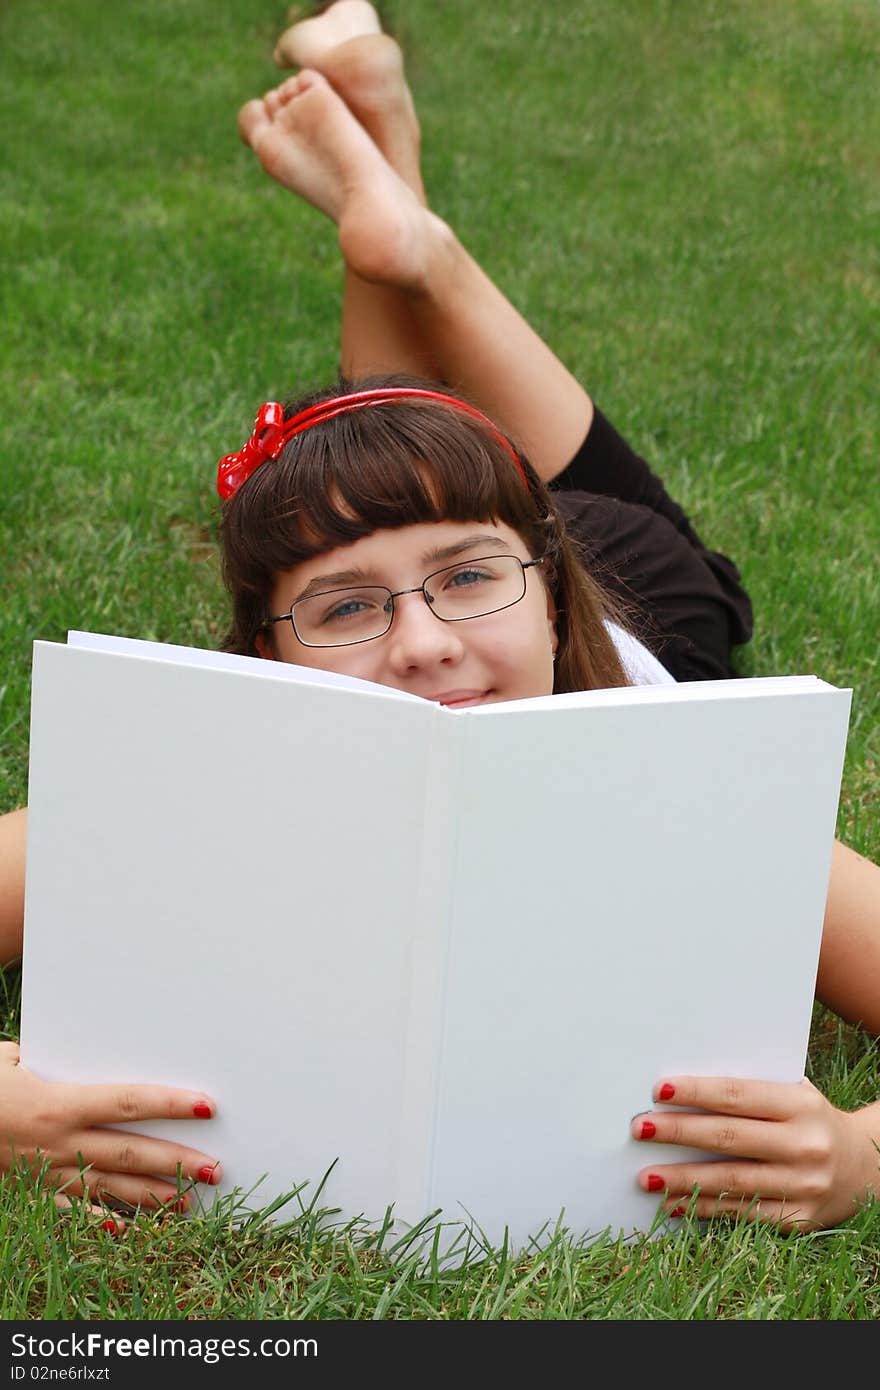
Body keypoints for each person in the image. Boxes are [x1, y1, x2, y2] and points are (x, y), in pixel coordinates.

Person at [2, 2, 879, 1235]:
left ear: (543, 579)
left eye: (467, 581)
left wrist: (856, 1153)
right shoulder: (186, 780)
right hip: (507, 529)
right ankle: (390, 209)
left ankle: (415, 241)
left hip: (632, 593)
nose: (422, 643)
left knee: (597, 524)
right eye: (343, 608)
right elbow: (422, 563)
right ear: (263, 648)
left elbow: (474, 554)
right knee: (394, 464)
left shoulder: (693, 766)